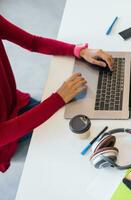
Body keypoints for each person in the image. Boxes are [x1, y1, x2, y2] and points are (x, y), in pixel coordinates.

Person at [0, 15, 113, 173]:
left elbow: (33, 42)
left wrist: (78, 51)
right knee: (69, 160)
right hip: (7, 144)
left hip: (17, 103)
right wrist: (58, 98)